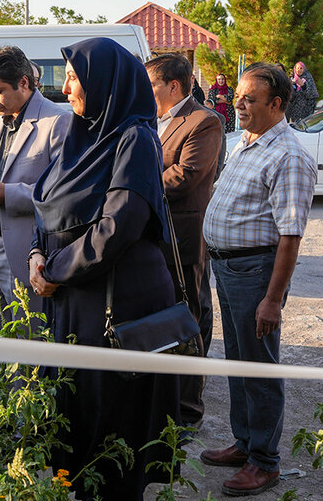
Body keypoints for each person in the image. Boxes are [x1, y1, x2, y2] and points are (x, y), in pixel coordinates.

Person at [28, 37, 180, 501]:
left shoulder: (134, 137)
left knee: (111, 418)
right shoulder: (79, 134)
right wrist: (38, 255)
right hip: (74, 297)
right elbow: (48, 204)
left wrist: (55, 270)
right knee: (77, 410)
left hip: (114, 304)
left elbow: (121, 222)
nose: (66, 87)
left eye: (75, 77)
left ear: (106, 83)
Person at [200, 63, 317, 496]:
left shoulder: (288, 155)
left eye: (250, 99)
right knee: (238, 361)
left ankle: (265, 461)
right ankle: (245, 443)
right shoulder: (248, 142)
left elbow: (290, 237)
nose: (239, 104)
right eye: (240, 96)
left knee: (259, 367)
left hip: (256, 274)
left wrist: (272, 299)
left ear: (277, 104)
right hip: (229, 269)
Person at [0, 46, 70, 331]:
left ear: (24, 82)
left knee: (27, 345)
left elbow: (61, 193)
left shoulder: (58, 121)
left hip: (26, 249)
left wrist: (7, 195)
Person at [146, 53, 223, 429]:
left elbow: (185, 176)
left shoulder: (204, 122)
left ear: (172, 85)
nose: (146, 92)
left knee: (189, 318)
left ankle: (187, 410)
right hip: (151, 237)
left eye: (151, 84)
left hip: (183, 239)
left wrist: (131, 187)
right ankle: (161, 398)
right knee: (160, 318)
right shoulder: (151, 121)